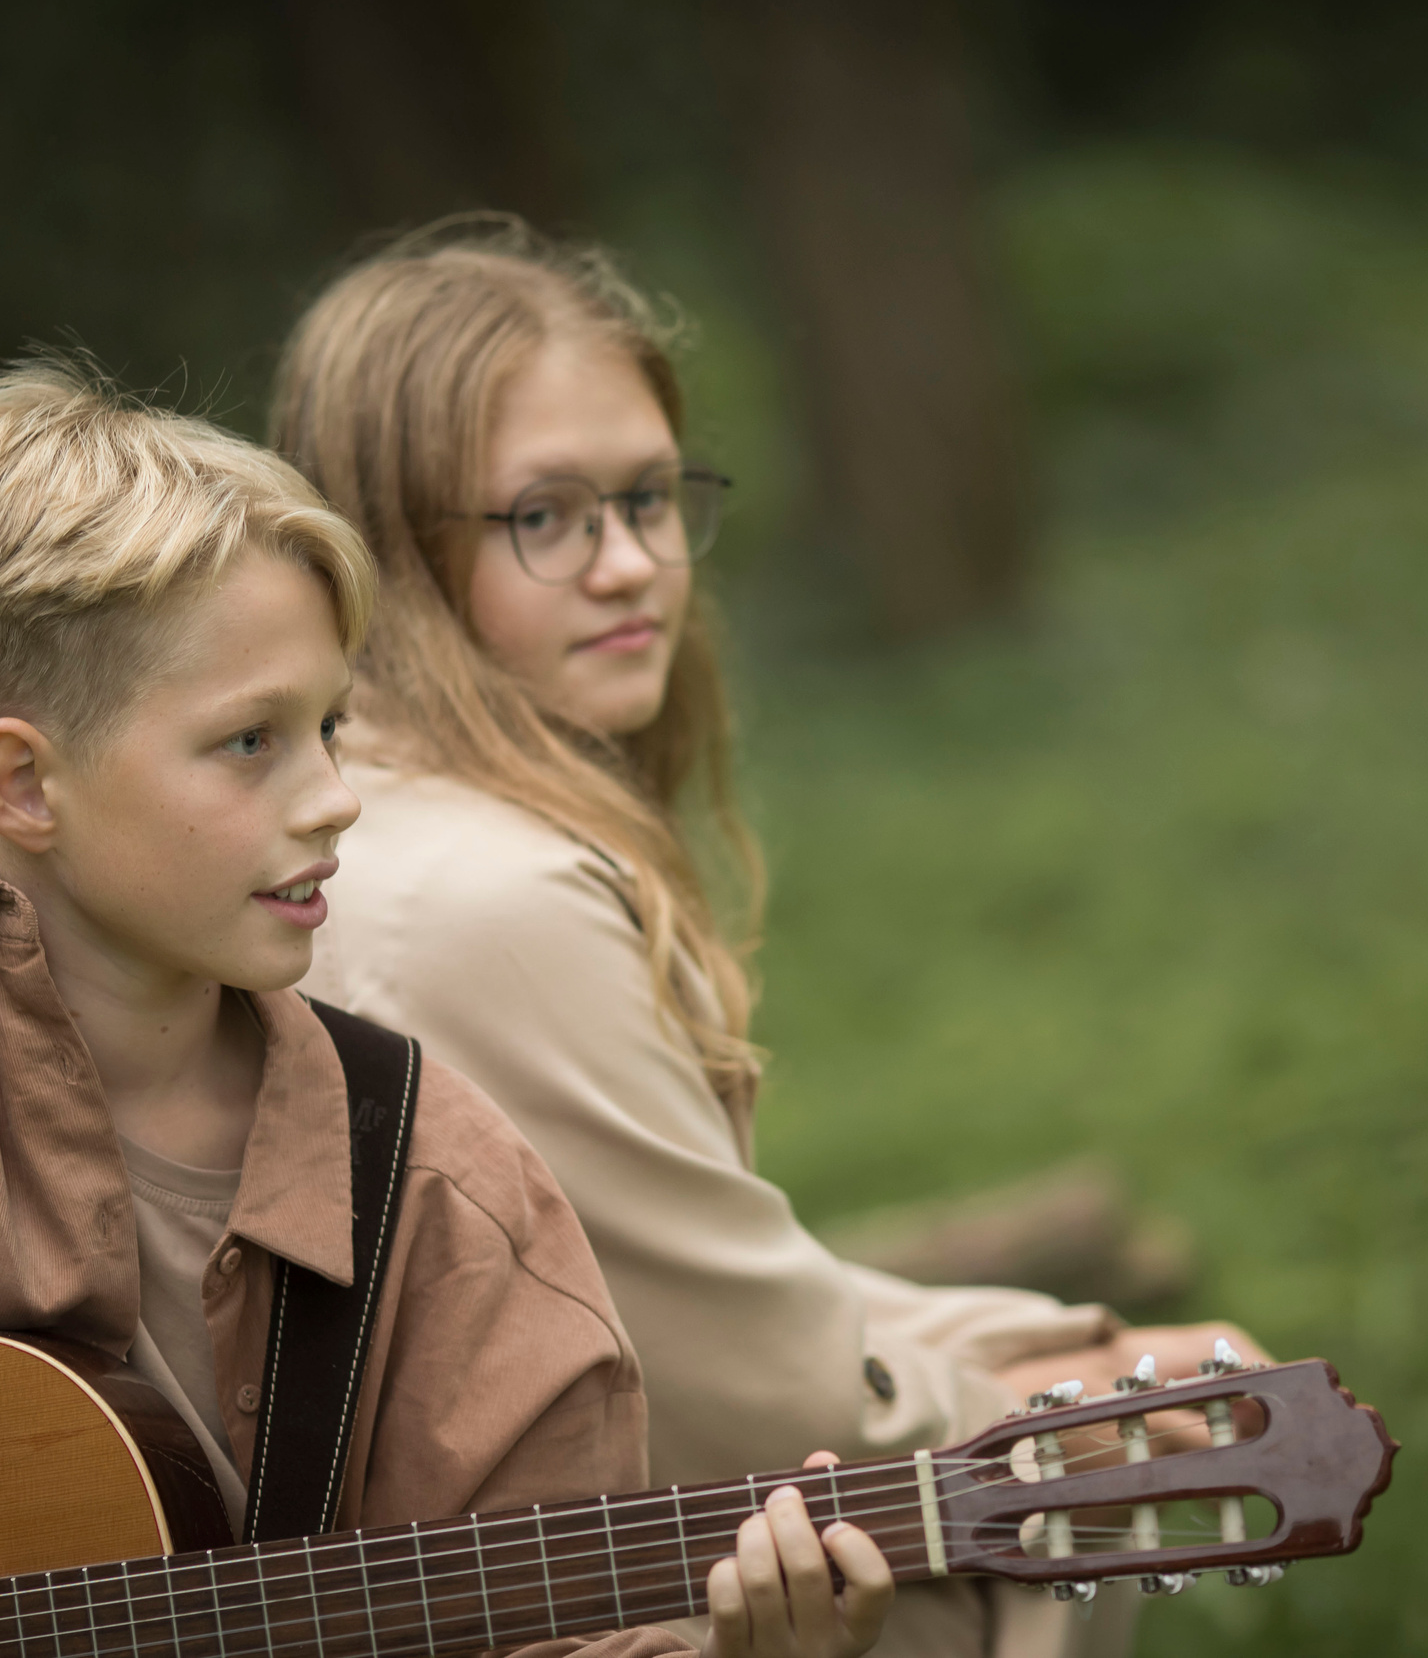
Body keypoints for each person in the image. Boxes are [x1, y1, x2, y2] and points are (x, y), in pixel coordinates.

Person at [0, 361, 890, 1658]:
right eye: (251, 742)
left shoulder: (439, 1195)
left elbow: (563, 1626)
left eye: (332, 726)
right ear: (25, 788)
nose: (334, 795)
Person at [275, 218, 1274, 1658]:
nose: (629, 564)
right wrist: (1064, 1413)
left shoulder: (378, 815)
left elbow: (714, 1292)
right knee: (1022, 1553)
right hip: (533, 1605)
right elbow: (766, 1402)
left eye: (650, 497)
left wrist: (1053, 1349)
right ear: (394, 550)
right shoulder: (484, 897)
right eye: (545, 517)